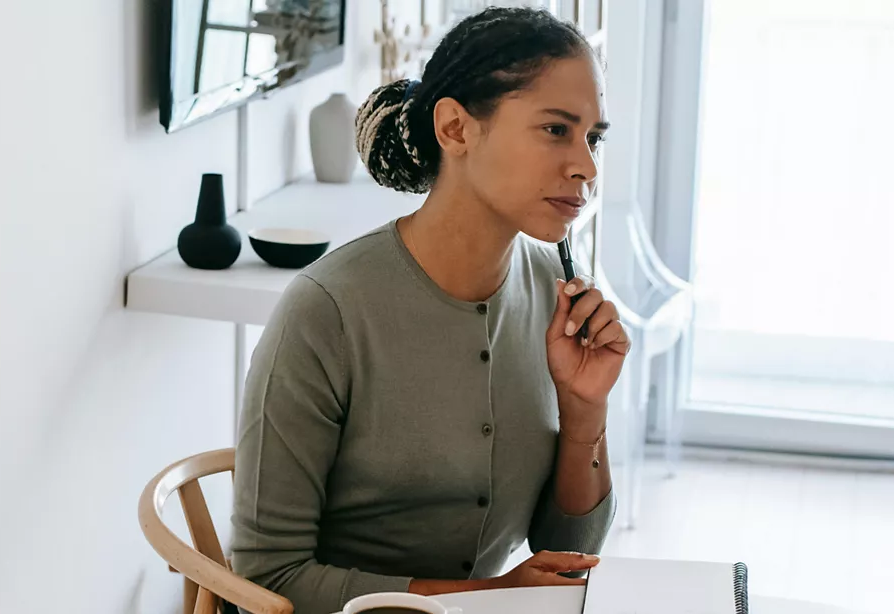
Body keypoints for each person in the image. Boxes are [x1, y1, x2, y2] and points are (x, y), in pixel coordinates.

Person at [230, 7, 629, 614]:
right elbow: (269, 580)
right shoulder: (327, 312)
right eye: (556, 130)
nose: (587, 167)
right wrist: (487, 597)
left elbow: (567, 554)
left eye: (593, 137)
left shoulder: (556, 291)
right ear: (456, 129)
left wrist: (584, 412)